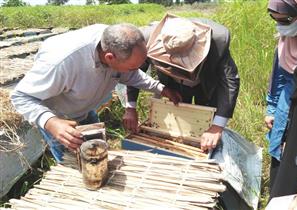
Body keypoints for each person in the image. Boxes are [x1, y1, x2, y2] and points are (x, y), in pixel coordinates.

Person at [10, 23, 182, 162]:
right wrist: (51, 123)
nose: (136, 70)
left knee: (98, 156)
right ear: (109, 58)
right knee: (74, 165)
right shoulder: (61, 63)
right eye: (132, 67)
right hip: (61, 119)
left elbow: (133, 75)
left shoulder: (114, 42)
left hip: (85, 108)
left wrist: (161, 88)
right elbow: (21, 96)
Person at [123, 14, 240, 151]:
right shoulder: (144, 39)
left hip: (206, 84)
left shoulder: (218, 40)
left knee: (206, 127)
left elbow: (230, 80)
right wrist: (131, 106)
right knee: (178, 123)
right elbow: (134, 71)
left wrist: (217, 127)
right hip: (173, 87)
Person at [265, 0, 297, 193]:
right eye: (276, 21)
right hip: (285, 107)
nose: (282, 27)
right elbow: (278, 77)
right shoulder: (285, 42)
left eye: (285, 21)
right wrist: (271, 109)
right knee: (280, 160)